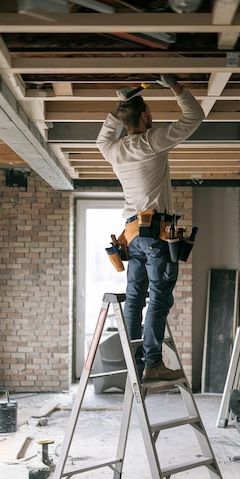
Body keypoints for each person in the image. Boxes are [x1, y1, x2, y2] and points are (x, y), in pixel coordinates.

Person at [96, 75, 204, 381]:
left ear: (123, 118)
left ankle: (134, 360)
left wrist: (121, 106)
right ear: (145, 116)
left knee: (135, 298)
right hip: (157, 237)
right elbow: (195, 116)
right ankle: (153, 363)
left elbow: (102, 138)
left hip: (133, 237)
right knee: (158, 298)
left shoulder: (113, 150)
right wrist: (175, 86)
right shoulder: (152, 141)